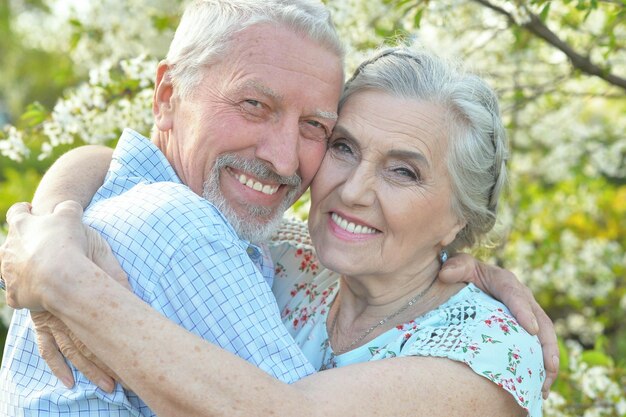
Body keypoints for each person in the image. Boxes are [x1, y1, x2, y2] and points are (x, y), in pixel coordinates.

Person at [2, 47, 545, 416]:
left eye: (402, 171)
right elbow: (120, 163)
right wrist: (53, 224)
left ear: (460, 217)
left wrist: (67, 284)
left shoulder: (490, 353)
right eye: (342, 147)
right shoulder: (290, 260)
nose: (353, 190)